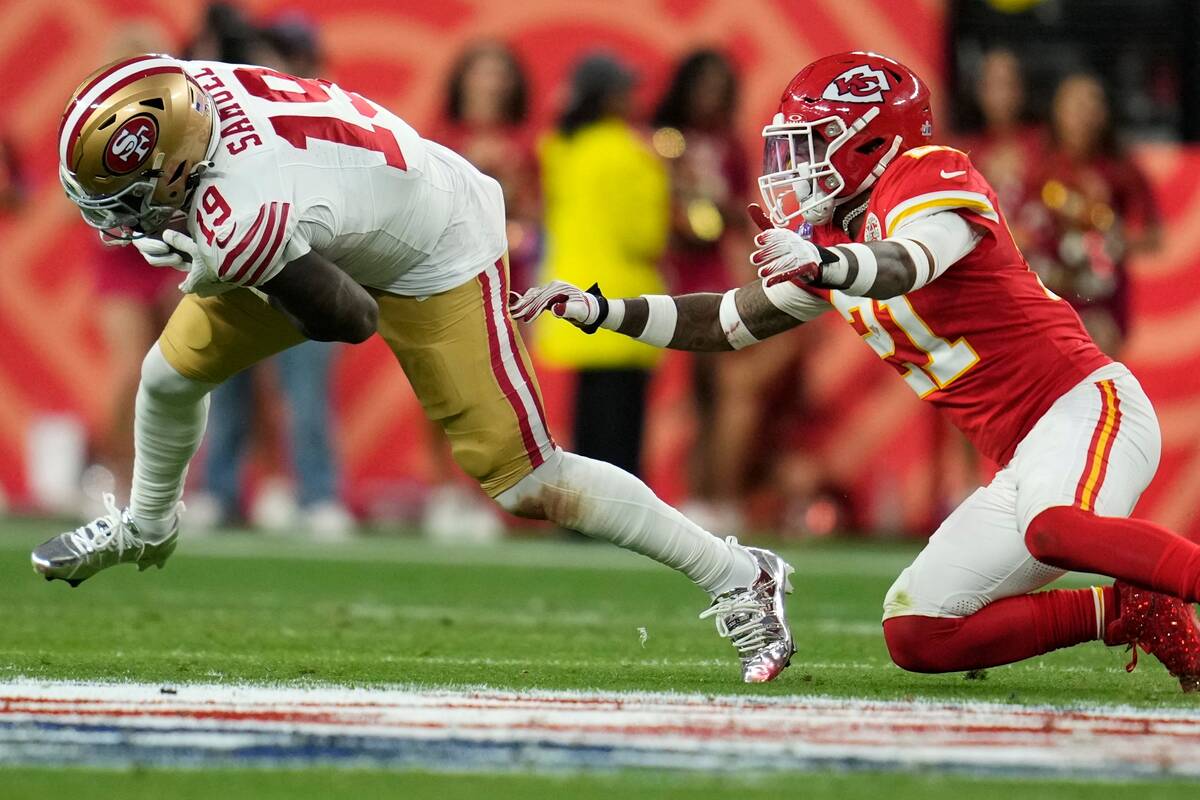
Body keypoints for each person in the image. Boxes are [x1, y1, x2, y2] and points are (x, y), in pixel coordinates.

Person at [37, 54, 794, 684]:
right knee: (167, 375)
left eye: (130, 200)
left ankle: (737, 572)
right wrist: (205, 239)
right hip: (331, 212)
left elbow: (350, 319)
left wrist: (211, 256)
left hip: (433, 245)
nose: (121, 219)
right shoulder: (182, 95)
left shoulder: (243, 213)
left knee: (529, 481)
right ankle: (146, 525)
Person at [513, 51, 1200, 691]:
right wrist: (605, 310)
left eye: (810, 143)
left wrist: (826, 264)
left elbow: (908, 260)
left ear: (871, 139)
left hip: (1083, 405)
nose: (794, 165)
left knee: (1055, 528)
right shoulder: (832, 241)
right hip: (1023, 454)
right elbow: (725, 322)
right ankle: (1127, 614)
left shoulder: (928, 173)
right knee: (918, 630)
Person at [196, 14, 353, 539]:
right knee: (226, 389)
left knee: (307, 394)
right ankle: (218, 492)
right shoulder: (221, 120)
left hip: (310, 267)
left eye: (277, 56)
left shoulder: (329, 112)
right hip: (238, 269)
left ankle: (319, 495)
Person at [536, 54, 669, 478]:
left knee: (587, 425)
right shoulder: (632, 152)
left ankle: (578, 520)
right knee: (622, 435)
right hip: (625, 303)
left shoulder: (559, 149)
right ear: (610, 99)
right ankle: (621, 522)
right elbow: (645, 237)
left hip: (570, 299)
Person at [651, 49, 756, 530]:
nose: (710, 96)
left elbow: (739, 209)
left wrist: (718, 206)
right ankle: (690, 493)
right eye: (702, 85)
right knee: (689, 394)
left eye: (719, 86)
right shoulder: (663, 141)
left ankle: (717, 494)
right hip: (669, 272)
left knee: (719, 392)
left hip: (715, 275)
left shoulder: (729, 145)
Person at [1022, 73, 1161, 357]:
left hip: (1102, 300)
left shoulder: (1122, 169)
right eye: (1073, 105)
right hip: (1048, 295)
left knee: (1100, 375)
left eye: (1090, 104)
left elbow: (1152, 236)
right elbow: (1014, 228)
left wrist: (1110, 234)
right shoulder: (1037, 167)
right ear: (1057, 112)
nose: (1082, 114)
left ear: (1104, 114)